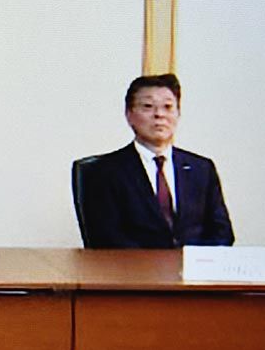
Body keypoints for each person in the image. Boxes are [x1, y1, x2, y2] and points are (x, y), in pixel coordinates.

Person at [80, 73, 233, 248]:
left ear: (178, 114)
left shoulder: (202, 168)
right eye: (148, 106)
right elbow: (105, 238)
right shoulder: (104, 171)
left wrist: (194, 260)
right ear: (129, 115)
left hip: (194, 264)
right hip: (133, 265)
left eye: (168, 107)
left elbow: (222, 232)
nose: (159, 114)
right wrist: (156, 263)